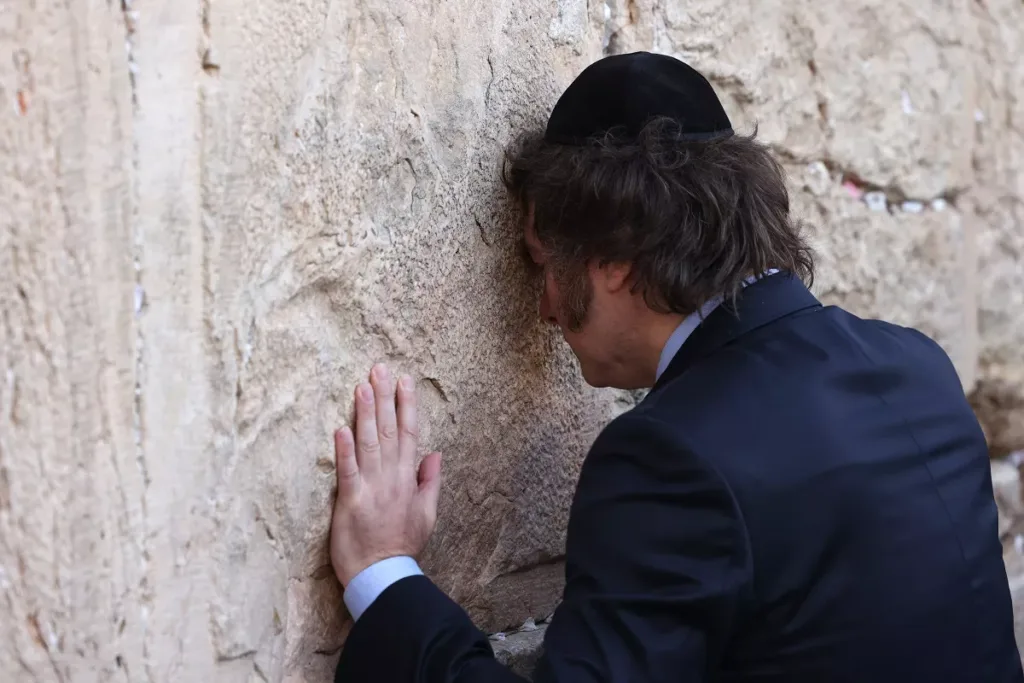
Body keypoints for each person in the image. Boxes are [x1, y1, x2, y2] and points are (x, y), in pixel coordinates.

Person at [325, 52, 1024, 682]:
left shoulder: (672, 456)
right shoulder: (916, 364)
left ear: (615, 260)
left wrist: (384, 573)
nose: (542, 307)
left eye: (544, 266)